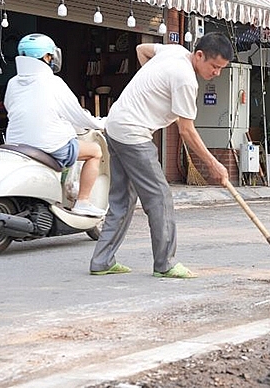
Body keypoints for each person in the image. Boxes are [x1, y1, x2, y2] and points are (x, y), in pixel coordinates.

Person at [89, 32, 232, 278]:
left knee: (122, 200)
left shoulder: (174, 51)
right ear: (199, 55)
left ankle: (102, 261)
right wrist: (213, 164)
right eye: (215, 66)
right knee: (160, 198)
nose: (216, 73)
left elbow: (142, 50)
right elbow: (186, 131)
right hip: (133, 134)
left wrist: (155, 89)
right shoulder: (186, 79)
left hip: (115, 126)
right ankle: (165, 263)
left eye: (221, 69)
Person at [4, 33, 106, 217]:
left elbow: (13, 108)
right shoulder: (53, 82)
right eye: (51, 55)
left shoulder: (12, 83)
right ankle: (83, 201)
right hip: (50, 146)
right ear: (46, 57)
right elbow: (78, 116)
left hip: (16, 145)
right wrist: (101, 123)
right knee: (95, 152)